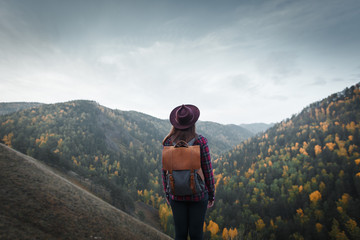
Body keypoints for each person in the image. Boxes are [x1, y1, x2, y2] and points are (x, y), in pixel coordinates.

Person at [162, 104, 215, 240]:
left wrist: (167, 193)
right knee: (196, 235)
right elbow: (207, 170)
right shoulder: (200, 141)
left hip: (176, 195)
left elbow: (165, 171)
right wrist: (211, 195)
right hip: (198, 195)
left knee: (180, 235)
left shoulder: (168, 142)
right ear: (193, 122)